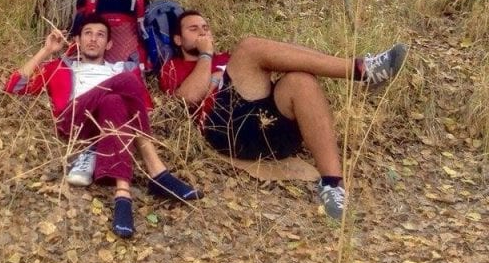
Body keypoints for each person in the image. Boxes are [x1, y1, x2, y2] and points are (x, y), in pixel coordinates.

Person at [159, 11, 408, 220]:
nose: (203, 33)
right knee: (249, 47)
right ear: (178, 39)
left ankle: (333, 185)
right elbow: (187, 98)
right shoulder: (174, 66)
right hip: (228, 130)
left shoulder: (227, 59)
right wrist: (205, 56)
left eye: (205, 28)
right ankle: (361, 69)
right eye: (193, 29)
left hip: (272, 131)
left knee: (301, 80)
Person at [4, 13, 203, 238]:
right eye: (87, 33)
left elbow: (143, 108)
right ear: (77, 40)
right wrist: (47, 50)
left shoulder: (122, 68)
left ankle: (122, 194)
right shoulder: (60, 67)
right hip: (75, 121)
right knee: (127, 81)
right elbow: (14, 87)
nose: (93, 39)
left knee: (114, 100)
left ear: (108, 44)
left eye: (100, 35)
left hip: (109, 126)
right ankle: (158, 172)